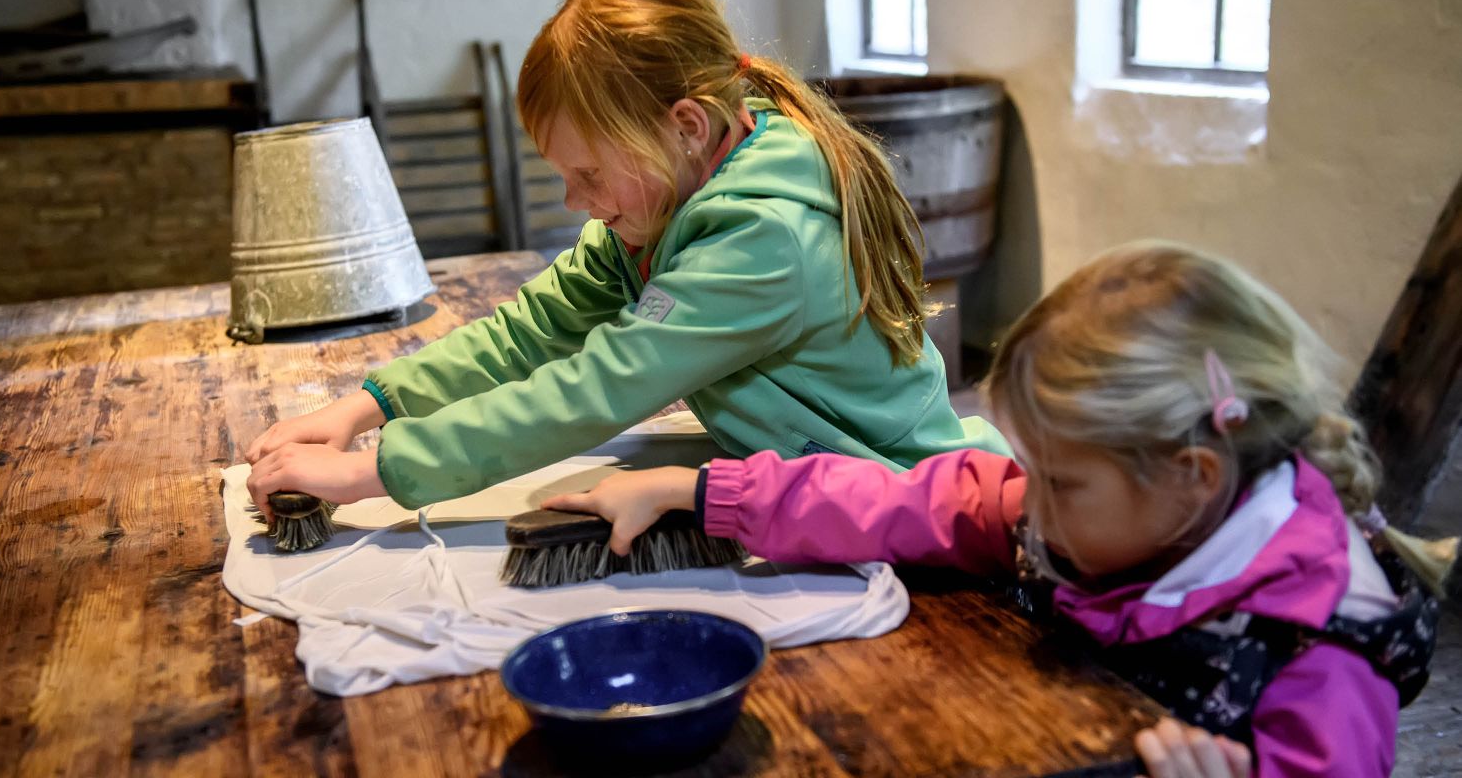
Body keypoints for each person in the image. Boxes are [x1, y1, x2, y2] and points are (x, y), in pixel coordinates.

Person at [545, 242, 1446, 778]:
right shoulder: (1113, 513)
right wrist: (703, 492)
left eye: (1059, 482)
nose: (1031, 506)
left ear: (1194, 475)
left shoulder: (1317, 664)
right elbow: (906, 501)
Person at [244, 0, 1006, 512]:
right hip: (814, 484)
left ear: (684, 127)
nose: (575, 200)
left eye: (589, 172)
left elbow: (596, 389)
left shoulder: (763, 240)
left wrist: (373, 472)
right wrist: (369, 406)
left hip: (897, 498)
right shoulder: (670, 199)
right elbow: (533, 330)